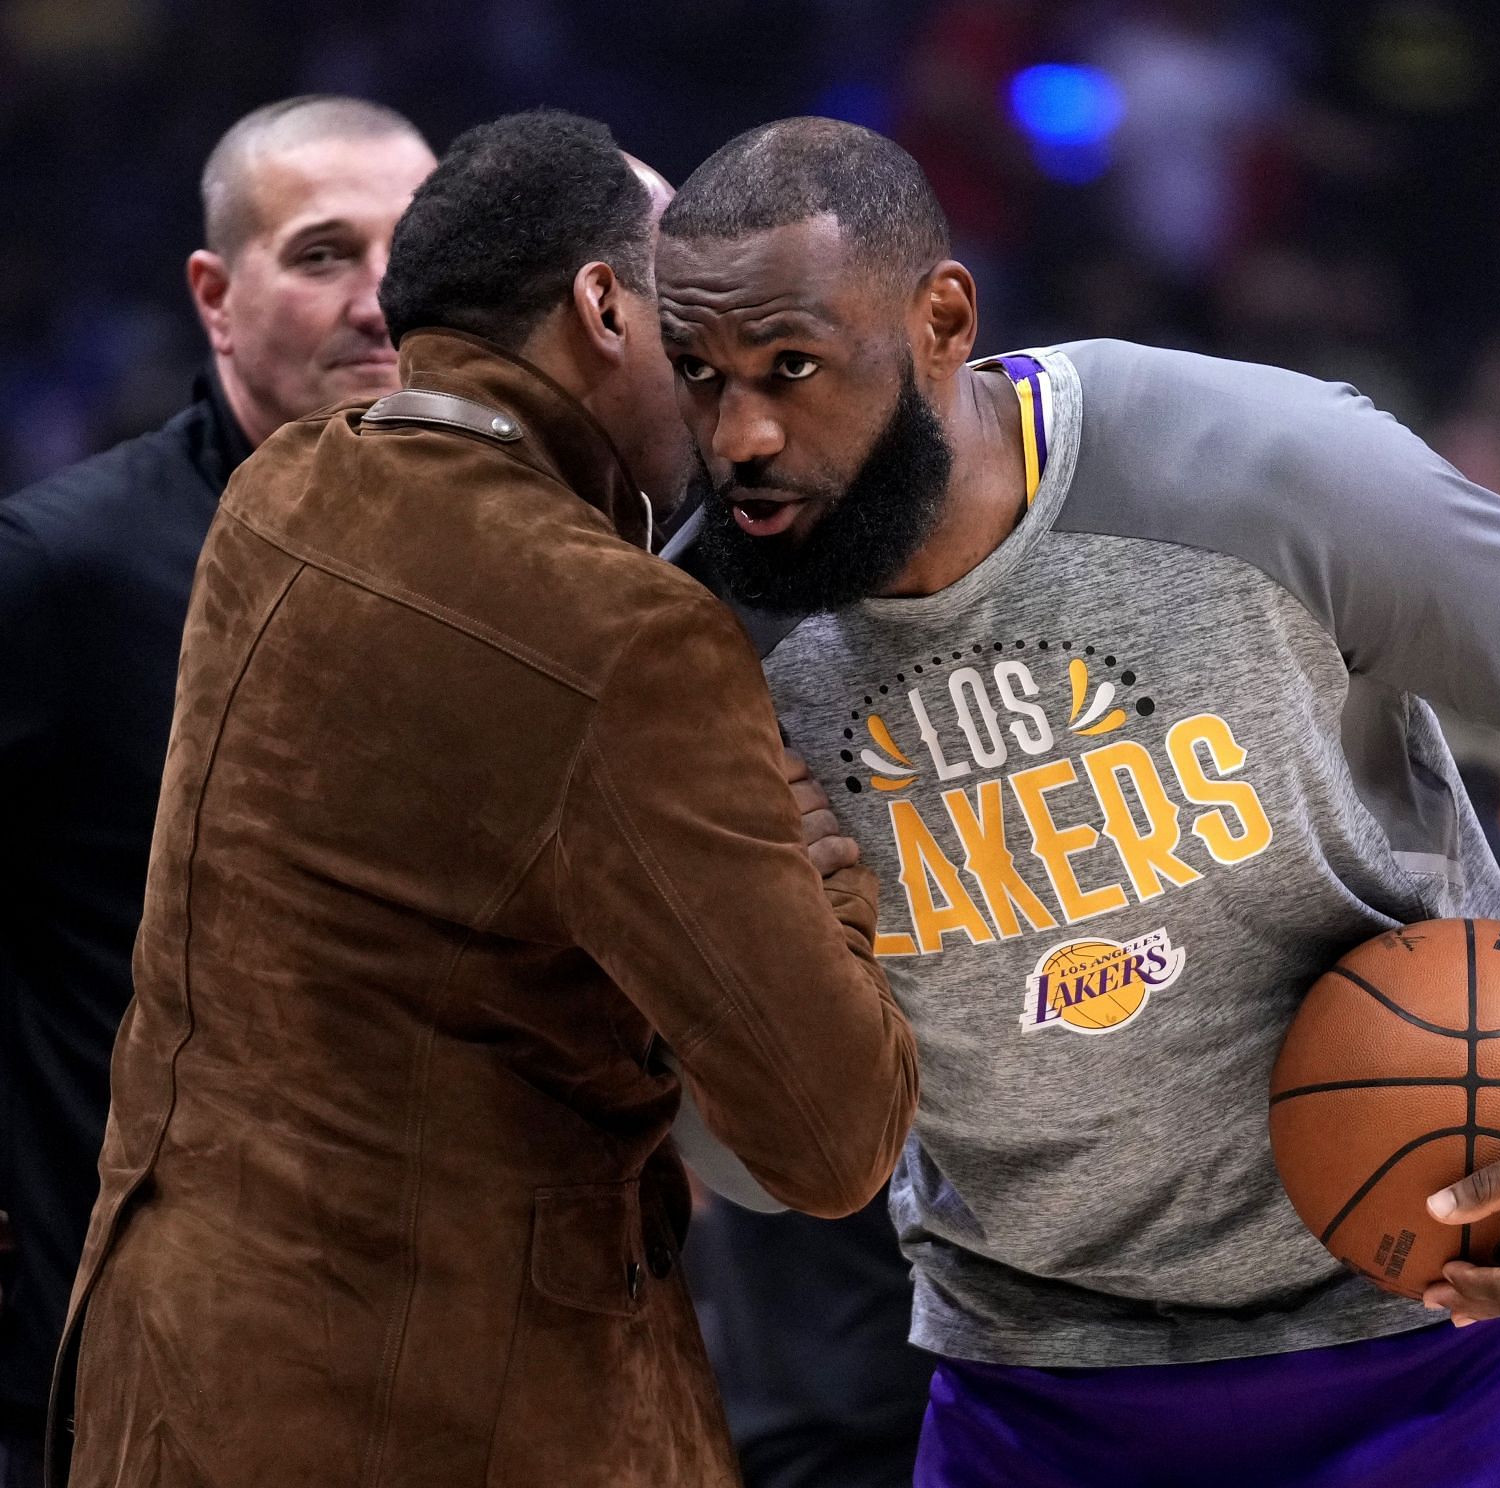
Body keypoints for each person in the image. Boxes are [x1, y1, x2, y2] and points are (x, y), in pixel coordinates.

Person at [655, 117, 1500, 1487]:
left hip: (1462, 1328)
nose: (741, 432)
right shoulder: (696, 641)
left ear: (941, 318)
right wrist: (763, 975)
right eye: (697, 378)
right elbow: (763, 1177)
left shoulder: (1254, 467)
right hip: (1044, 1395)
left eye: (792, 369)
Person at [51, 109, 917, 1488]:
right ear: (598, 305)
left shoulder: (281, 493)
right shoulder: (620, 633)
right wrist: (827, 878)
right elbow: (831, 1143)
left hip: (165, 1368)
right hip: (455, 1406)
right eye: (684, 335)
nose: (715, 400)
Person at [0, 93, 434, 1488]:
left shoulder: (535, 564)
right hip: (146, 1401)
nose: (380, 302)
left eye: (414, 253)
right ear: (214, 294)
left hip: (451, 1388)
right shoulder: (61, 572)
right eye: (323, 254)